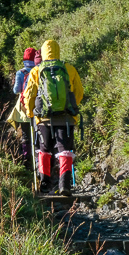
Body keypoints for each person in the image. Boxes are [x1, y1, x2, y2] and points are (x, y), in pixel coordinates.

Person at [23, 39, 84, 196]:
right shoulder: (68, 69)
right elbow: (79, 91)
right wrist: (70, 106)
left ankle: (45, 185)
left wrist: (31, 112)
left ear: (43, 53)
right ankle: (65, 185)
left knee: (44, 150)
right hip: (66, 119)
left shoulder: (36, 71)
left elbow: (29, 94)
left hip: (43, 119)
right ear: (58, 51)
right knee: (65, 150)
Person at [6, 47, 41, 167]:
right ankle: (39, 161)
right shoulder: (39, 70)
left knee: (26, 134)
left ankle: (27, 160)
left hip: (24, 107)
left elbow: (16, 90)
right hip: (38, 106)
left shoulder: (21, 72)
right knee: (37, 133)